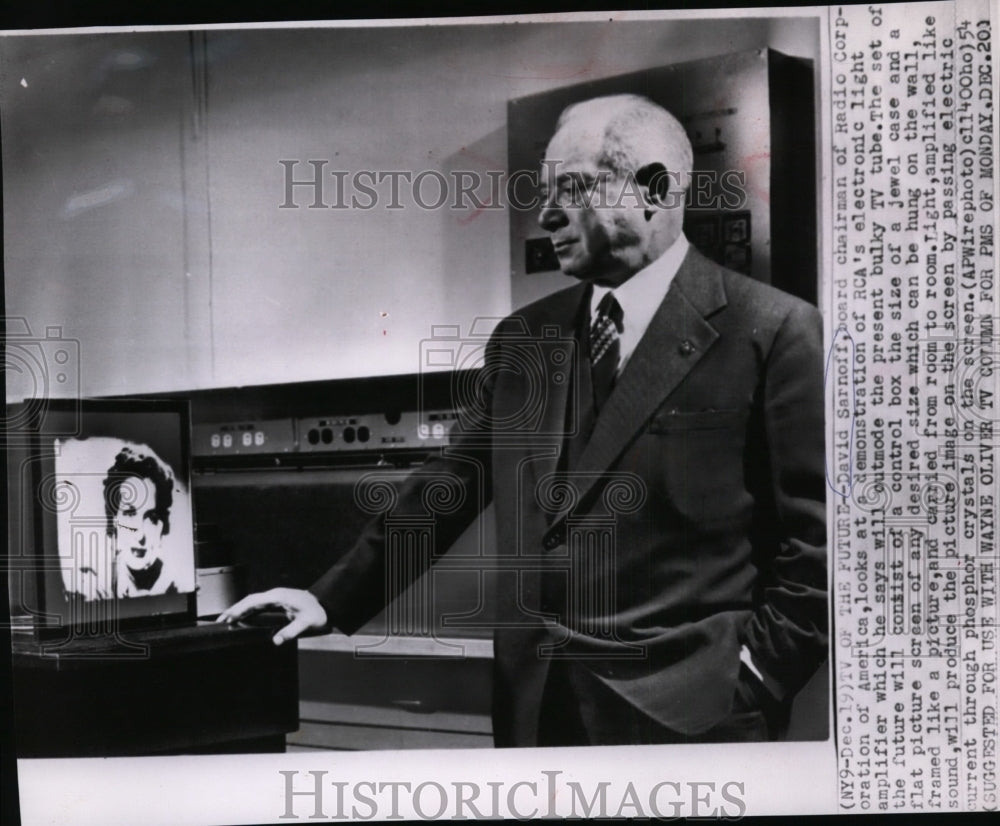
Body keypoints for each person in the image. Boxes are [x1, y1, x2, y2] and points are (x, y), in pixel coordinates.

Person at [220, 94, 828, 747]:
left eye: (571, 188)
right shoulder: (525, 340)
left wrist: (758, 674)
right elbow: (449, 486)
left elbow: (819, 544)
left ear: (653, 190)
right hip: (537, 709)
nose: (544, 215)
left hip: (692, 713)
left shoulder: (773, 330)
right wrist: (329, 599)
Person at [103, 445, 179, 597]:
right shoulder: (96, 590)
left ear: (163, 525)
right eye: (129, 513)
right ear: (114, 521)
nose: (139, 536)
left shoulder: (179, 586)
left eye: (151, 517)